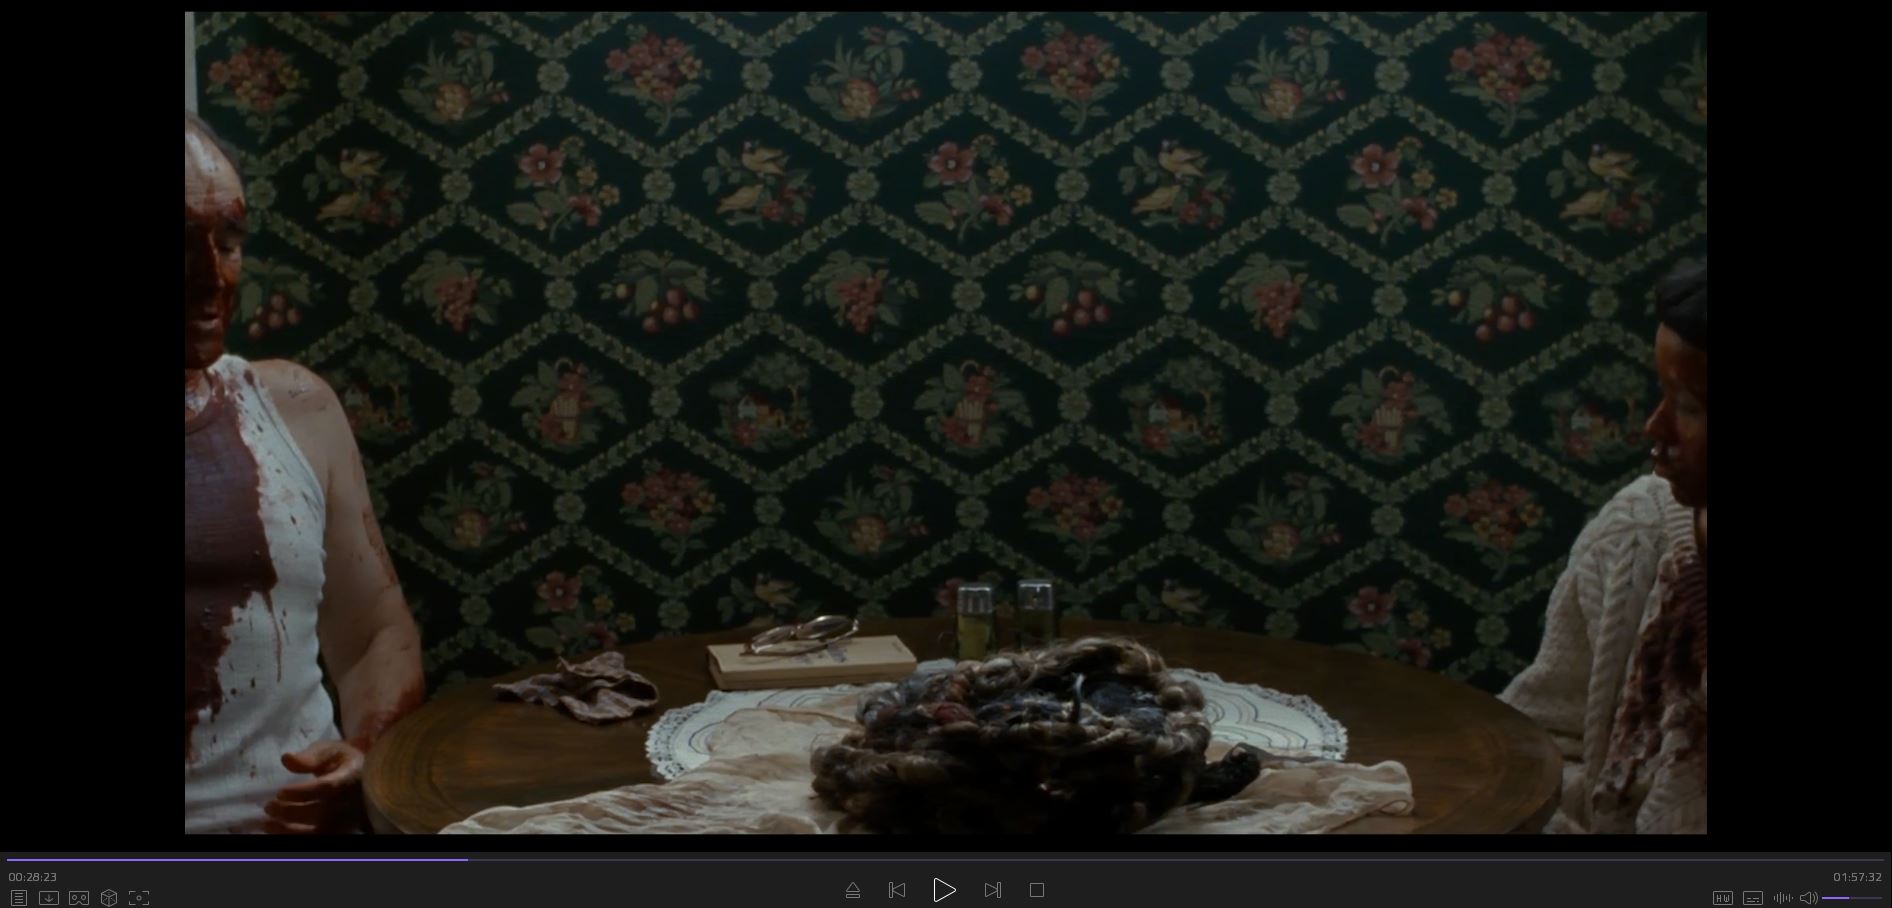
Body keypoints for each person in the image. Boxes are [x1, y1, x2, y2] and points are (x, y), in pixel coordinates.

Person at [186, 109, 424, 833]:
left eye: (229, 241)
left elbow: (376, 635)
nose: (210, 277)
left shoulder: (296, 407)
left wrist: (366, 758)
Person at [1501, 257, 1707, 834]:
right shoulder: (1637, 533)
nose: (1655, 428)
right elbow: (1540, 742)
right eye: (1663, 393)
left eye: (1692, 405)